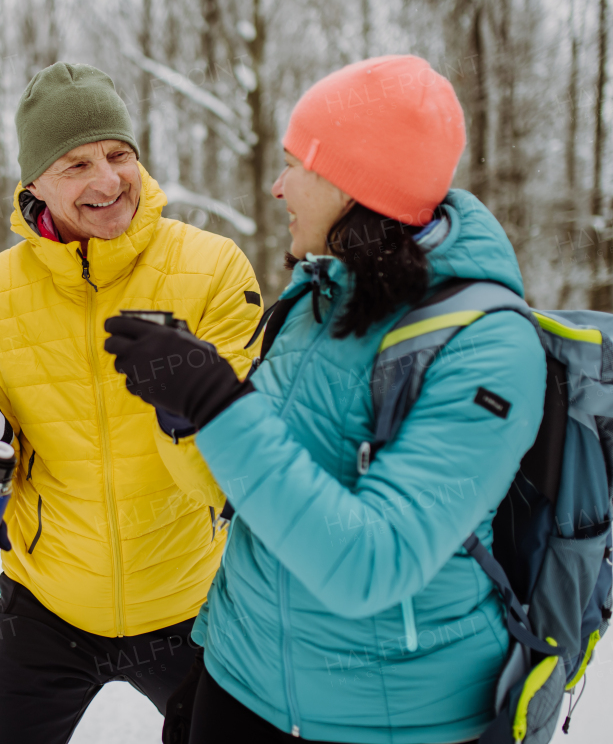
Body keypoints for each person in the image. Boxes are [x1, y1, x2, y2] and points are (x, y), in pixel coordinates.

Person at [105, 55, 547, 743]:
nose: (278, 187)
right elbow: (251, 494)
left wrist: (217, 399)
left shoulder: (487, 346)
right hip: (239, 682)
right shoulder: (321, 294)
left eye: (295, 164)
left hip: (391, 720)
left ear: (353, 182)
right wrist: (183, 410)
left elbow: (373, 564)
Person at [0, 62, 263, 743]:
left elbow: (247, 464)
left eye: (118, 154)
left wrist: (192, 403)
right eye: (76, 164)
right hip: (47, 608)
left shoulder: (214, 270)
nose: (108, 180)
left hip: (190, 604)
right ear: (33, 183)